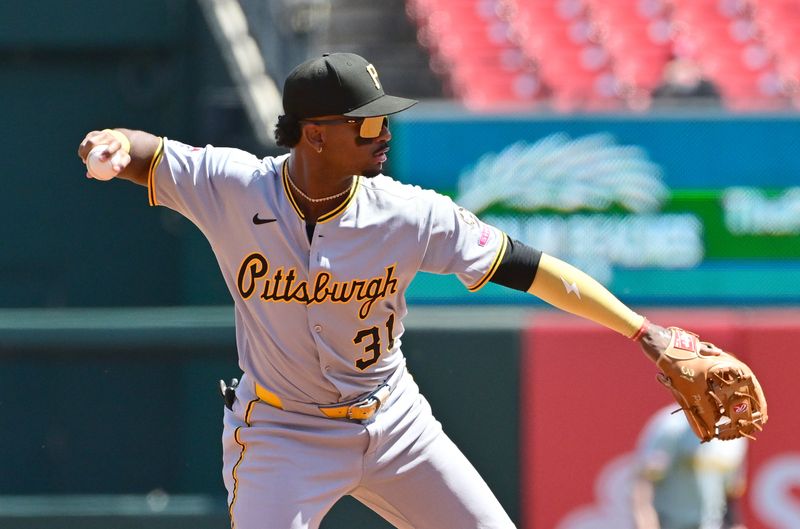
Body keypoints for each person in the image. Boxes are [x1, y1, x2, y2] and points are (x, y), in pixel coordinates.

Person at [78, 52, 681, 529]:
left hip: (395, 421)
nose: (384, 131)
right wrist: (107, 143)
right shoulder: (232, 187)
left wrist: (643, 330)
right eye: (368, 120)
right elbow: (141, 150)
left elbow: (531, 267)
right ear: (315, 134)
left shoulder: (410, 213)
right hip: (283, 435)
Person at [631, 404, 749, 529]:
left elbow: (729, 494)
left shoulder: (735, 434)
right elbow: (643, 484)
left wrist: (736, 525)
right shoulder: (671, 426)